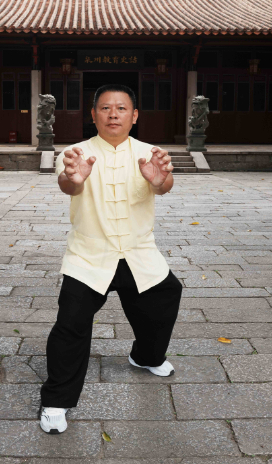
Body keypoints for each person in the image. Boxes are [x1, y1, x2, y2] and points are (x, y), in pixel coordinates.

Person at [38, 83, 183, 435]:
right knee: (71, 324)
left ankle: (145, 357)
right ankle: (56, 399)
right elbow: (68, 185)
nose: (113, 114)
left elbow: (164, 185)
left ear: (134, 116)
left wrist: (160, 180)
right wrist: (74, 179)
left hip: (137, 253)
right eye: (105, 108)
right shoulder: (75, 153)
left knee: (167, 295)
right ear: (93, 115)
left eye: (121, 108)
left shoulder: (149, 152)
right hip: (89, 256)